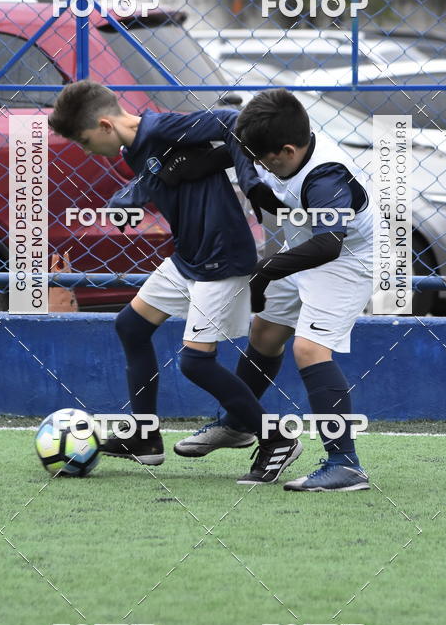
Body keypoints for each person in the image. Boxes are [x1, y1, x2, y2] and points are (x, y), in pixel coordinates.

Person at [47, 80, 302, 484]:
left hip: (221, 258)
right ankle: (145, 437)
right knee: (130, 326)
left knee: (195, 362)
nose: (86, 150)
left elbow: (233, 122)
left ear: (105, 125)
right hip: (189, 257)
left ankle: (276, 438)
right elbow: (161, 175)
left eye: (84, 140)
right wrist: (130, 196)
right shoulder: (135, 148)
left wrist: (250, 182)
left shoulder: (163, 128)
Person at [173, 89, 373, 492]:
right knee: (265, 333)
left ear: (286, 149)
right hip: (300, 247)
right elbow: (218, 157)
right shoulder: (270, 147)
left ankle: (346, 464)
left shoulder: (327, 175)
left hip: (346, 259)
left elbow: (329, 243)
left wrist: (264, 270)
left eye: (264, 159)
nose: (258, 165)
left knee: (310, 348)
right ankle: (238, 423)